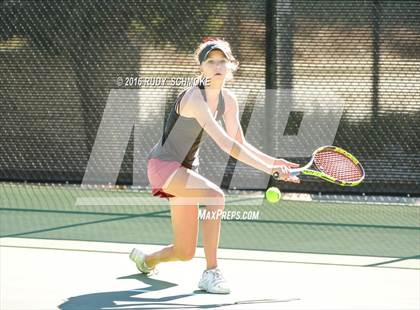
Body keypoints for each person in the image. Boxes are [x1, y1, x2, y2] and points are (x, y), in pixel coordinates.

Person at [130, 38, 299, 294]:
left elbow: (239, 142)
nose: (217, 66)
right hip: (164, 166)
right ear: (202, 68)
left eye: (223, 61)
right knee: (215, 197)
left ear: (232, 66)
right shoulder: (194, 97)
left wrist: (273, 162)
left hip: (185, 170)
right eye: (211, 61)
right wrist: (269, 170)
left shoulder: (228, 100)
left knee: (184, 251)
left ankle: (146, 260)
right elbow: (225, 144)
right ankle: (211, 272)